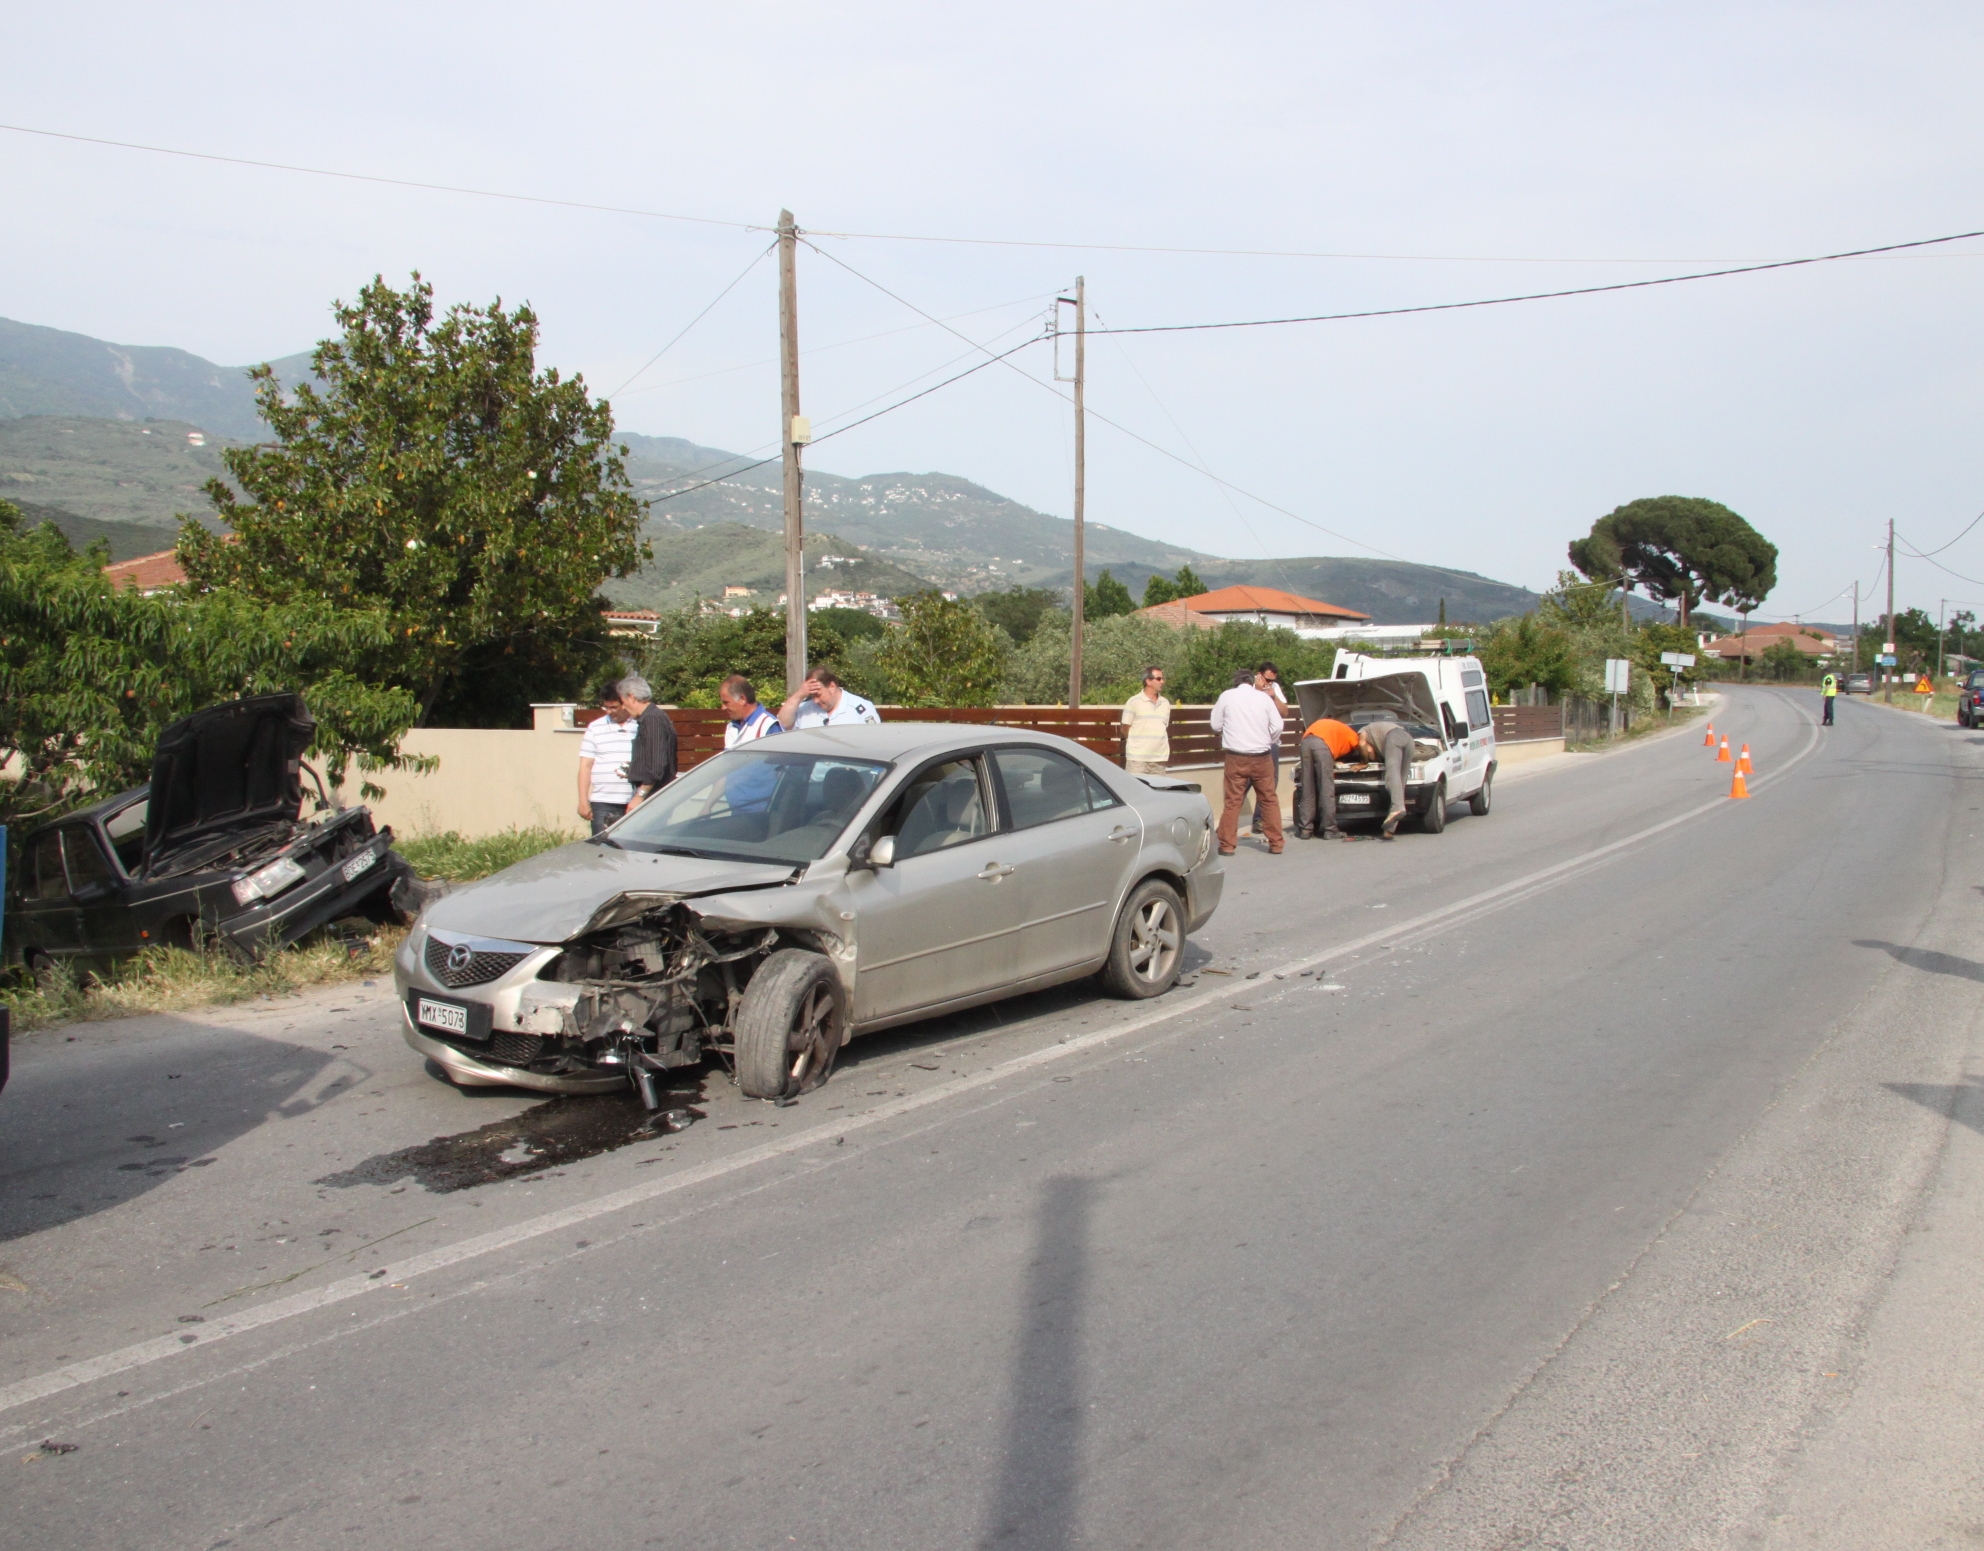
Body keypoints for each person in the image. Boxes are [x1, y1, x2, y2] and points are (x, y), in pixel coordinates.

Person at [1210, 669, 1285, 854]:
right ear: (1252, 681)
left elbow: (1215, 725)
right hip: (1262, 756)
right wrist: (1267, 739)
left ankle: (1227, 845)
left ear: (1234, 682)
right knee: (1269, 799)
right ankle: (1276, 843)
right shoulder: (1264, 698)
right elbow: (1278, 726)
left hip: (1236, 756)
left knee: (1233, 801)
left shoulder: (1227, 696)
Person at [575, 688, 636, 835]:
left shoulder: (639, 725)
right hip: (603, 802)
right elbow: (586, 765)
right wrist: (583, 801)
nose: (609, 711)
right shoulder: (595, 728)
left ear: (625, 703)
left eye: (613, 707)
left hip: (634, 801)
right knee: (602, 850)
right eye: (606, 707)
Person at [1294, 715, 1360, 840]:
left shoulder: (1329, 725)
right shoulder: (1353, 734)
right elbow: (1359, 747)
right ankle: (1330, 830)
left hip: (1305, 742)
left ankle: (1305, 829)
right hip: (1322, 745)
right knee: (1326, 788)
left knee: (1308, 787)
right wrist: (1364, 762)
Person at [618, 675, 678, 810]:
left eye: (623, 701)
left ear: (632, 697)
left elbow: (656, 767)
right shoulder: (650, 719)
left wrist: (639, 796)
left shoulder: (653, 719)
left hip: (653, 796)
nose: (623, 707)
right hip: (653, 795)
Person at [1356, 719, 1415, 840]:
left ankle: (1399, 808)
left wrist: (1364, 762)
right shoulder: (1378, 729)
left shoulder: (1362, 731)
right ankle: (1389, 830)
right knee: (1399, 784)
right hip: (1409, 739)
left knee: (1391, 776)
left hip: (1393, 738)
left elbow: (1365, 748)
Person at [1249, 661, 1289, 836]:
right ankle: (1230, 823)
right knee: (1246, 782)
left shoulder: (1275, 688)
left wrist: (1273, 696)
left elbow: (1285, 712)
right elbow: (1250, 708)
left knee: (1270, 782)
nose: (1269, 683)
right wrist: (1259, 691)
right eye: (1266, 679)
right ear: (1259, 676)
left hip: (1272, 743)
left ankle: (1260, 819)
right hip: (1253, 742)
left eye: (1272, 680)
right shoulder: (1250, 689)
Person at [778, 665, 881, 729]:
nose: (816, 700)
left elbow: (876, 739)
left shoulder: (861, 709)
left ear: (832, 686)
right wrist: (799, 695)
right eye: (812, 696)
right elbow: (784, 723)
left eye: (818, 695)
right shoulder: (805, 710)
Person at [1121, 666, 1172, 775]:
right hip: (1137, 761)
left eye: (1162, 678)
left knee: (1158, 792)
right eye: (1158, 679)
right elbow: (1125, 728)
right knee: (1135, 791)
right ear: (1148, 681)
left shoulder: (1165, 703)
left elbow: (1162, 727)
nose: (1162, 682)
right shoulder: (1133, 702)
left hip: (1159, 760)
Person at [720, 675, 782, 748]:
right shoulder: (731, 726)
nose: (723, 708)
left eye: (726, 702)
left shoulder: (768, 725)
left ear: (742, 699)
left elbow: (777, 758)